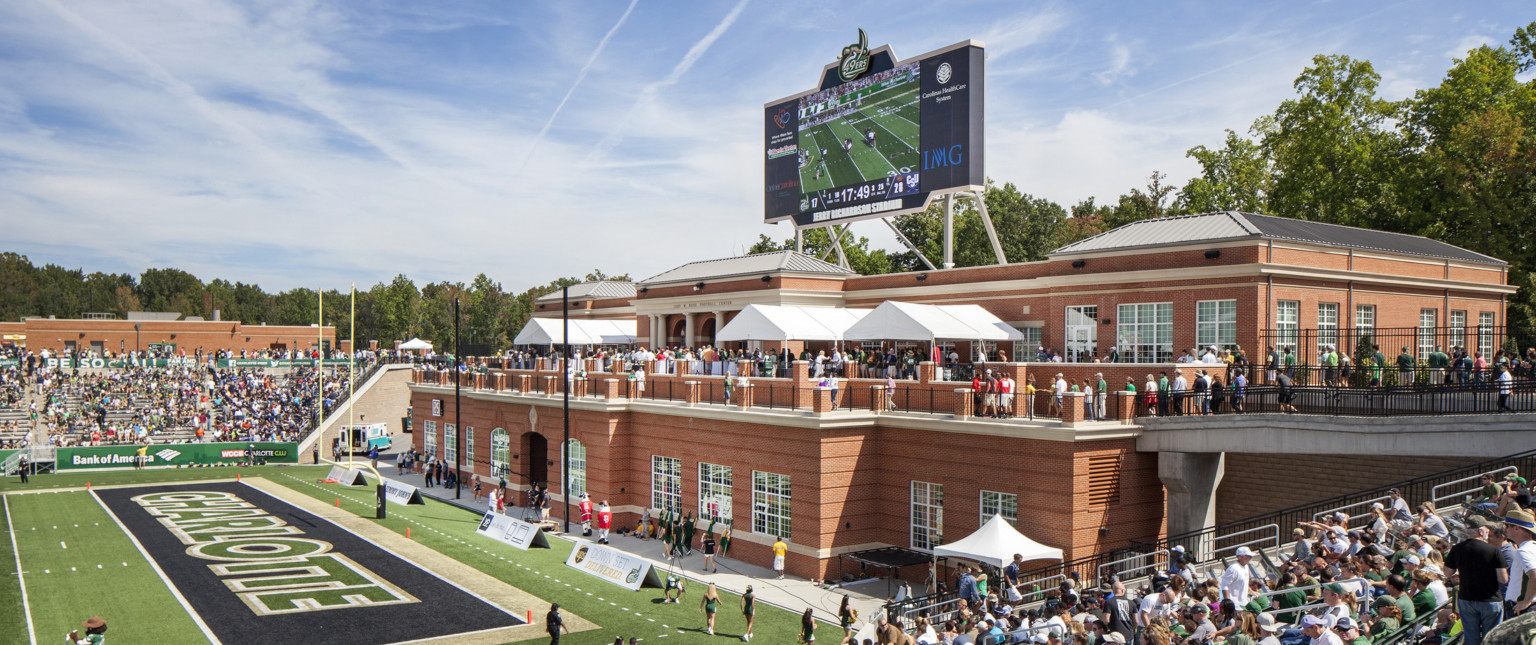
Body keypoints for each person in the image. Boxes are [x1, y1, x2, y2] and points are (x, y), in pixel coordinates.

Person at [1446, 519, 1504, 645]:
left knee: (1471, 639)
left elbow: (1447, 573)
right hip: (1490, 599)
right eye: (1487, 529)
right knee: (1491, 638)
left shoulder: (1457, 549)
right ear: (1481, 531)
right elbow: (1503, 578)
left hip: (1466, 599)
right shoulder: (1493, 550)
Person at [1504, 508, 1536, 618]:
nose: (1506, 529)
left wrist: (1526, 601)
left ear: (1517, 528)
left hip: (1522, 608)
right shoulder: (1532, 548)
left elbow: (1534, 575)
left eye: (1508, 526)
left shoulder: (1524, 550)